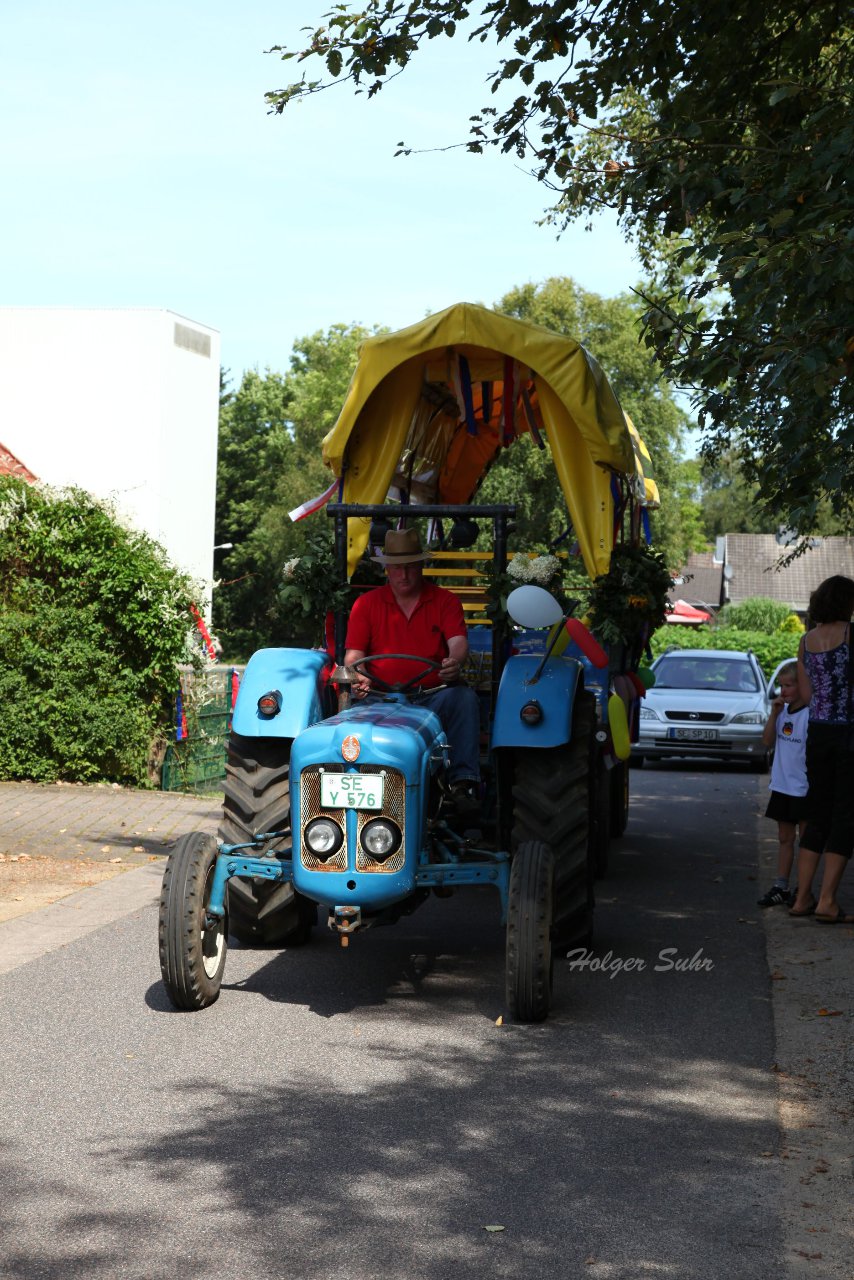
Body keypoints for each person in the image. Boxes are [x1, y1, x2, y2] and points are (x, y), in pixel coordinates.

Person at [344, 526, 481, 819]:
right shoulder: (366, 605)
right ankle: (349, 785)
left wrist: (453, 663)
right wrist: (361, 675)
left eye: (410, 567)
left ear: (421, 566)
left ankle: (463, 782)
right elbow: (354, 655)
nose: (403, 575)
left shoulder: (445, 601)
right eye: (397, 568)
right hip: (380, 699)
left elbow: (458, 643)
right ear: (387, 570)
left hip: (431, 697)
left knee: (463, 699)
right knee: (350, 714)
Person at [789, 575, 854, 923]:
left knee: (818, 813)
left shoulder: (806, 640)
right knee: (845, 814)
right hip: (848, 733)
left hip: (818, 733)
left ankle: (801, 899)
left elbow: (807, 695)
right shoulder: (850, 634)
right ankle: (827, 901)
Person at [757, 662, 809, 906]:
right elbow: (767, 741)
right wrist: (774, 713)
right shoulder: (782, 713)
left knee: (807, 841)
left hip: (804, 788)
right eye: (781, 685)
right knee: (784, 838)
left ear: (803, 687)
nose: (783, 691)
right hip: (782, 786)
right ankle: (781, 886)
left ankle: (803, 888)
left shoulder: (809, 715)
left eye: (789, 686)